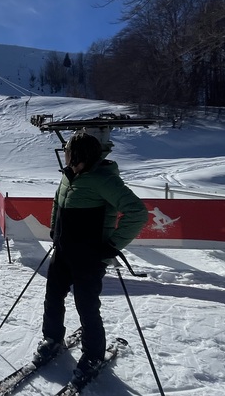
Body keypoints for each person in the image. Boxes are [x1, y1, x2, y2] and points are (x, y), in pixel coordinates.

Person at [32, 131, 148, 386]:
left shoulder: (103, 180)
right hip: (63, 250)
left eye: (68, 152)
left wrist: (112, 247)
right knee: (52, 297)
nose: (65, 155)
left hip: (89, 257)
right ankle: (52, 339)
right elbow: (57, 203)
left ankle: (93, 354)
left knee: (86, 305)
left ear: (79, 155)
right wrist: (55, 229)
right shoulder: (69, 176)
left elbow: (138, 213)